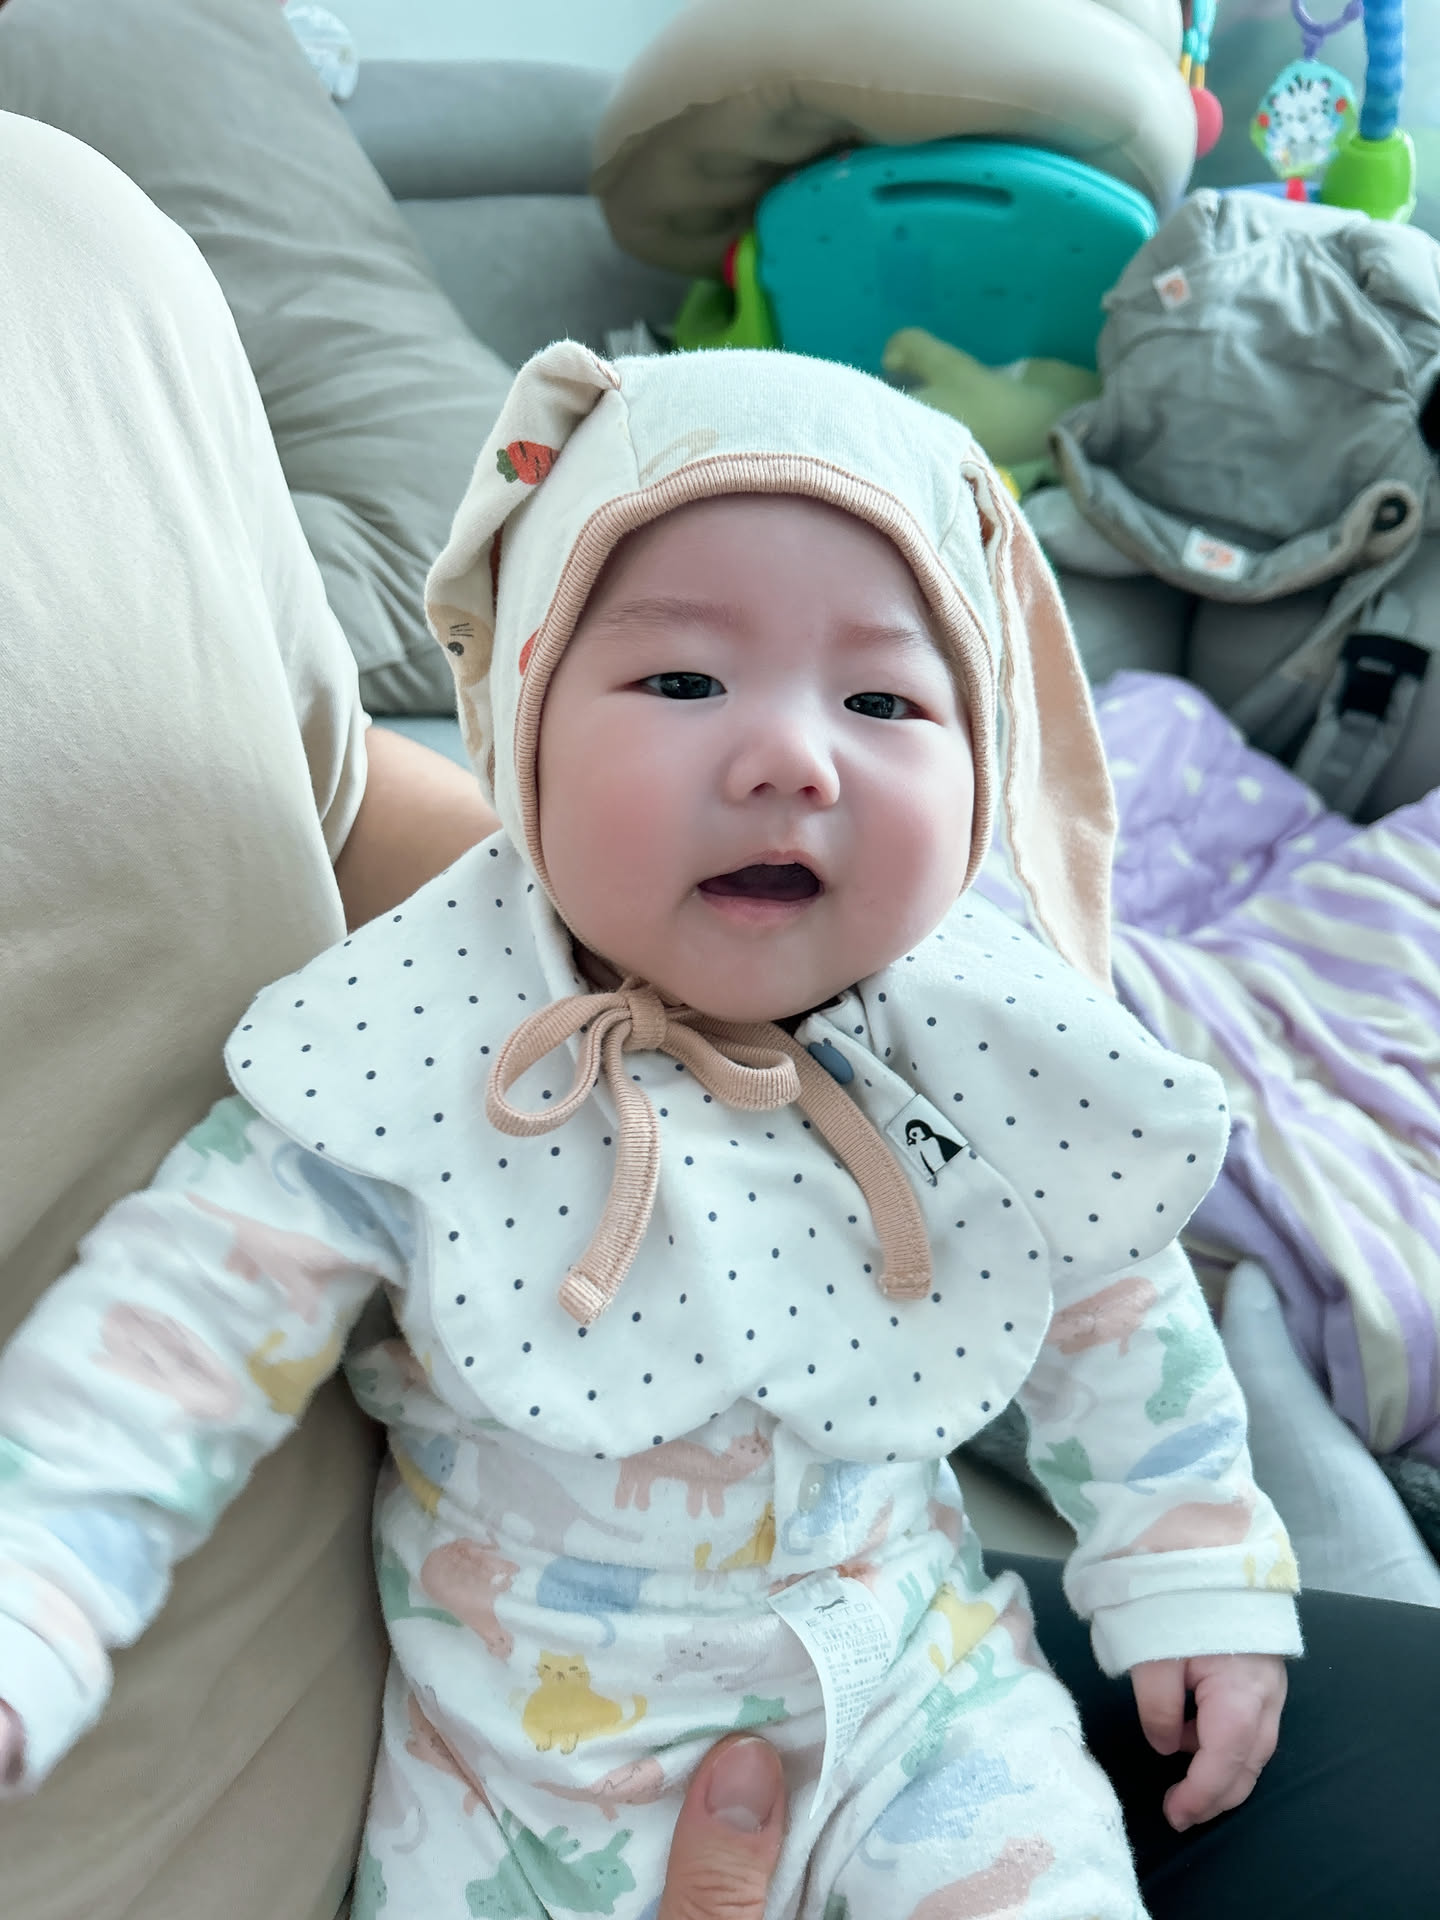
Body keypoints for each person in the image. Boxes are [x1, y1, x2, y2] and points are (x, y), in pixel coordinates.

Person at [0, 324, 1301, 1920]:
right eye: (683, 681)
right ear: (522, 721)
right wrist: (37, 1592)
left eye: (884, 698)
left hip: (919, 1691)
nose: (790, 758)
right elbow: (180, 1325)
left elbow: (1112, 1300)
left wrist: (1190, 1566)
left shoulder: (976, 1018)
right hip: (522, 1771)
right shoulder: (425, 1026)